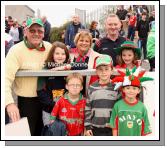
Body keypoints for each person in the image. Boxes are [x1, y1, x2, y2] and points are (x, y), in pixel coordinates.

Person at [5, 18, 52, 136]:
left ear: (44, 32)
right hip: (26, 102)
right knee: (26, 136)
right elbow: (5, 78)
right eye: (32, 30)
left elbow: (63, 64)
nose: (36, 34)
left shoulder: (49, 47)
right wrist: (9, 103)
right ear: (25, 31)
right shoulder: (15, 50)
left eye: (40, 31)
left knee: (46, 134)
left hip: (47, 100)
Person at [109, 67, 153, 136]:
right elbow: (114, 127)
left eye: (134, 88)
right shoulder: (117, 105)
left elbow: (145, 129)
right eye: (128, 88)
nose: (131, 91)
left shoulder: (142, 107)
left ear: (139, 91)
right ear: (123, 89)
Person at [37, 41, 70, 126]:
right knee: (50, 134)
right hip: (49, 111)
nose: (60, 56)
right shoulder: (45, 69)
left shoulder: (69, 68)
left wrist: (65, 67)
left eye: (63, 54)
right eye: (57, 53)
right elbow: (40, 91)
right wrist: (55, 104)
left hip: (66, 110)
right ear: (52, 54)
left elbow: (84, 65)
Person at [84, 55, 118, 136]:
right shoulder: (92, 87)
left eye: (106, 69)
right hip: (94, 127)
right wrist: (87, 126)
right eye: (100, 69)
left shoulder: (116, 87)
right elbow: (88, 107)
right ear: (96, 71)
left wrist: (116, 124)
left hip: (111, 127)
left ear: (112, 70)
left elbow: (118, 108)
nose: (103, 72)